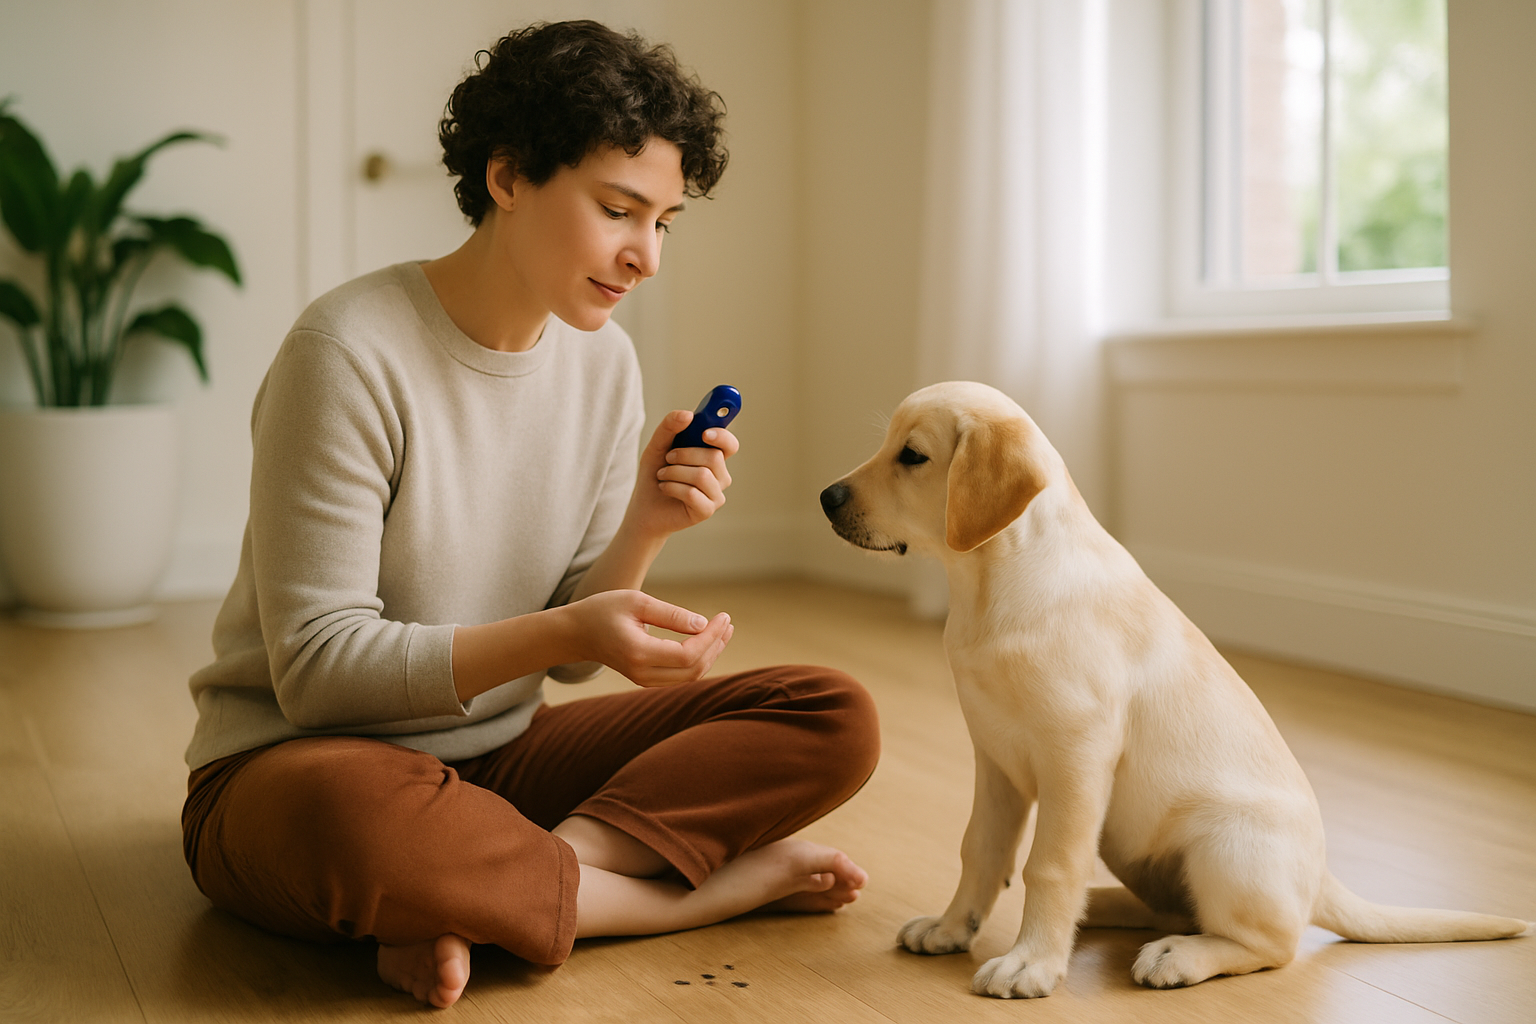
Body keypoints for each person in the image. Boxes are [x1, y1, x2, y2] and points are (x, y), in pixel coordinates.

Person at [179, 20, 880, 1009]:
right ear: (508, 177)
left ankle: (494, 888)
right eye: (618, 210)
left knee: (830, 712)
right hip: (299, 768)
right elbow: (319, 677)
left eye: (665, 222)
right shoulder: (344, 352)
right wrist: (571, 629)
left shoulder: (603, 365)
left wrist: (644, 525)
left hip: (496, 763)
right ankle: (673, 898)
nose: (646, 257)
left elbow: (569, 662)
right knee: (357, 818)